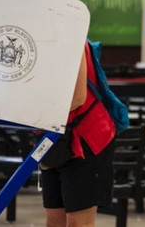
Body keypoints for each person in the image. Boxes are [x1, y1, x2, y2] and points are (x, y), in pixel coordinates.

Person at [42, 40, 116, 227]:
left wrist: (36, 115)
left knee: (78, 224)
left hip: (86, 139)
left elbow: (77, 97)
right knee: (53, 222)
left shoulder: (72, 38)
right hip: (53, 137)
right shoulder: (39, 38)